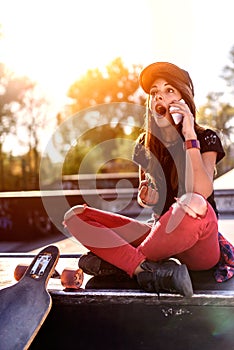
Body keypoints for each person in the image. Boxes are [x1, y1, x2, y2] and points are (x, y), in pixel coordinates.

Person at [63, 62, 227, 297]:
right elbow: (150, 198)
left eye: (170, 90)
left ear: (184, 98)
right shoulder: (145, 144)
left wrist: (189, 133)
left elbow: (201, 191)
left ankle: (119, 263)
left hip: (198, 239)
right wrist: (147, 198)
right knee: (75, 216)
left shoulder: (205, 137)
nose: (161, 97)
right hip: (160, 235)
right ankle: (145, 269)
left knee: (194, 202)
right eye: (155, 93)